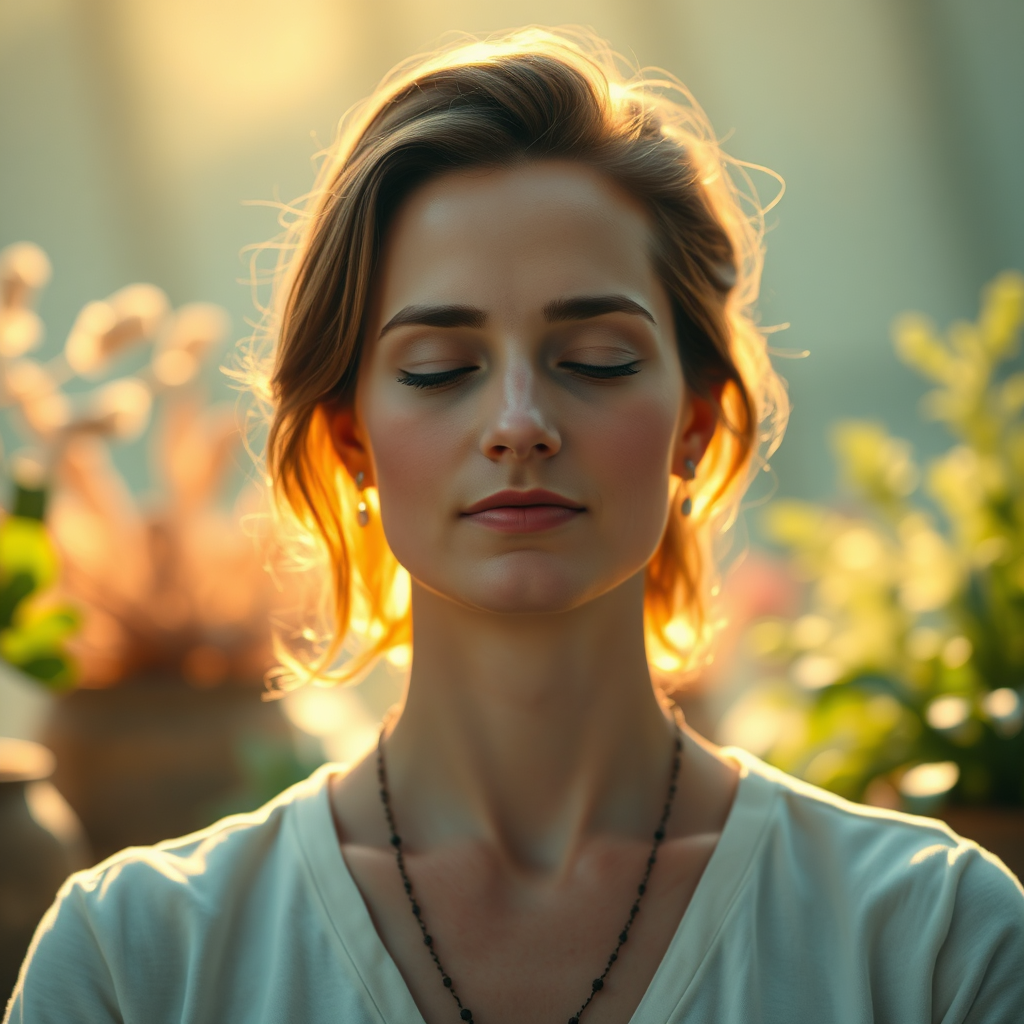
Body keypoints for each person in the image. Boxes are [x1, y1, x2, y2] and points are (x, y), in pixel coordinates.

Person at [7, 27, 1023, 1024]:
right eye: (439, 369)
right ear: (350, 437)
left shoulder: (933, 941)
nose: (519, 425)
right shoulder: (138, 959)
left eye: (595, 356)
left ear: (696, 421)